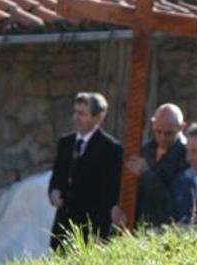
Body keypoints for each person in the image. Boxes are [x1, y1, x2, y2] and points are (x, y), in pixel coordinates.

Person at [48, 92, 122, 249]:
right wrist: (54, 192)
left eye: (82, 114)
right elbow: (57, 178)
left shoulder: (110, 149)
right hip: (63, 225)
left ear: (98, 117)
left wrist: (100, 234)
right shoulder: (65, 144)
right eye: (75, 112)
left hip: (90, 226)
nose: (77, 118)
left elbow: (109, 193)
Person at [123, 103, 189, 227]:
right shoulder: (146, 150)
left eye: (169, 133)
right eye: (158, 131)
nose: (162, 137)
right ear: (153, 124)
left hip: (167, 228)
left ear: (182, 127)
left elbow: (173, 200)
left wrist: (147, 174)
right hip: (140, 225)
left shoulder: (188, 155)